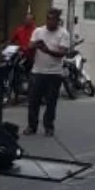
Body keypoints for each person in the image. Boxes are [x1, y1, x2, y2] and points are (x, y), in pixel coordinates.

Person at [25, 8, 70, 137]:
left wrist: (47, 50)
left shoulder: (63, 33)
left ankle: (48, 127)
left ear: (58, 20)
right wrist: (34, 46)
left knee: (51, 102)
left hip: (54, 72)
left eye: (53, 19)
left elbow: (62, 53)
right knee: (33, 100)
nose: (50, 22)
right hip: (37, 71)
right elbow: (30, 45)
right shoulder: (38, 31)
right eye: (48, 19)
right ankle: (31, 126)